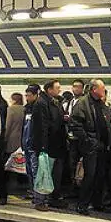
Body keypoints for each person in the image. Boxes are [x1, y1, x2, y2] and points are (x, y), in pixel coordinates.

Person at [70, 79, 111, 215]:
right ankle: (82, 204)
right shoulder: (83, 103)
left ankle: (97, 202)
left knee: (100, 175)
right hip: (90, 145)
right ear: (94, 89)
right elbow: (75, 123)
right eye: (102, 88)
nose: (104, 91)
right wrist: (87, 140)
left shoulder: (102, 104)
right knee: (90, 175)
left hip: (102, 145)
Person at [31, 80, 68, 211]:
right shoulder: (41, 103)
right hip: (46, 145)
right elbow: (42, 126)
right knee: (43, 172)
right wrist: (42, 147)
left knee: (51, 173)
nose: (60, 90)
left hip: (56, 144)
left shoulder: (54, 102)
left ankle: (48, 199)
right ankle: (39, 200)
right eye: (57, 88)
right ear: (49, 89)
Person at [22, 85, 40, 199]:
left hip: (34, 145)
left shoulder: (38, 109)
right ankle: (32, 190)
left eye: (29, 96)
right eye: (26, 95)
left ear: (35, 95)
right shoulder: (26, 109)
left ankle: (37, 194)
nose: (27, 98)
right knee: (28, 170)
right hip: (25, 144)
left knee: (35, 170)